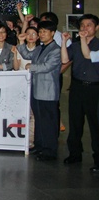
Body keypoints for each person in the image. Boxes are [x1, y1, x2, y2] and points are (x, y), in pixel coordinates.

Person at [17, 21, 61, 161]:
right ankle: (39, 145)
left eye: (44, 32)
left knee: (48, 122)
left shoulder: (56, 49)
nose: (42, 34)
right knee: (39, 120)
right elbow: (26, 55)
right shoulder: (40, 48)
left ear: (52, 33)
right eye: (40, 31)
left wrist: (32, 67)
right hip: (36, 90)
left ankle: (50, 151)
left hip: (47, 91)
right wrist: (21, 42)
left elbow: (47, 66)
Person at [60, 14, 99, 172]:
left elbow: (87, 55)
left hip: (94, 89)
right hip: (77, 87)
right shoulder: (75, 45)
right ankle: (75, 153)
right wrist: (64, 42)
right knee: (75, 122)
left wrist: (82, 39)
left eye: (89, 25)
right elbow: (65, 60)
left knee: (95, 124)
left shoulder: (97, 45)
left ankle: (98, 159)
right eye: (82, 25)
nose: (85, 28)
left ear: (96, 28)